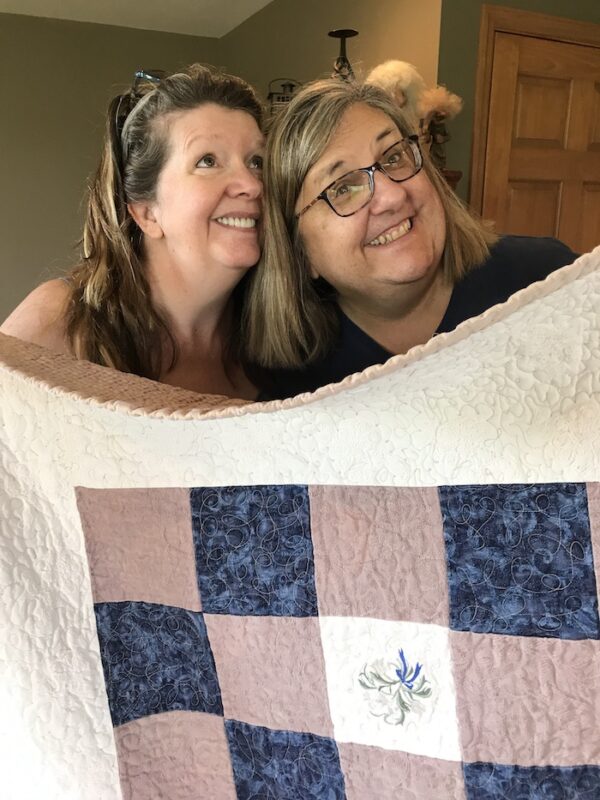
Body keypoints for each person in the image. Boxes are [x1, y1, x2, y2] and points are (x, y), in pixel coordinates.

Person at [244, 79, 577, 398]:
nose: (391, 197)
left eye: (393, 157)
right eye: (343, 187)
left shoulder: (550, 279)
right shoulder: (290, 387)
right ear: (300, 252)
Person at [1, 64, 265, 399]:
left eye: (257, 161)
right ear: (146, 213)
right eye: (208, 161)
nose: (251, 185)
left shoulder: (282, 336)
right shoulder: (62, 321)